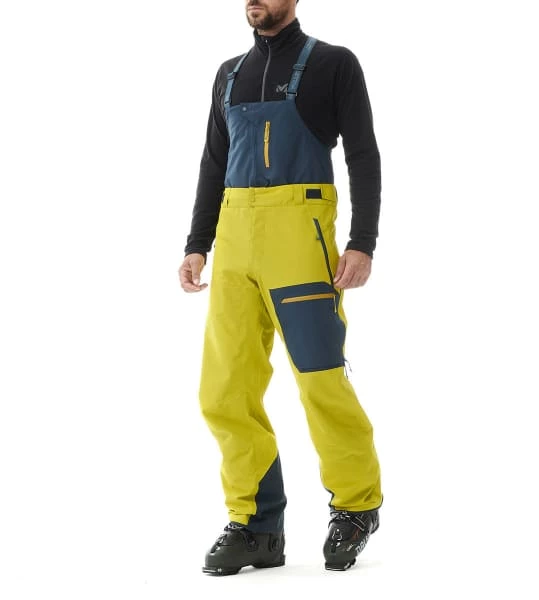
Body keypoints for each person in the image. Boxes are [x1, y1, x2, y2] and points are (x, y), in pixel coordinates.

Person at [178, 0, 383, 575]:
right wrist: (197, 243)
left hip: (300, 237)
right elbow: (213, 162)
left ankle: (356, 506)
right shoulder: (229, 74)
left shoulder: (334, 64)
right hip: (234, 239)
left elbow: (363, 154)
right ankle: (257, 525)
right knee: (224, 390)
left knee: (320, 379)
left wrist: (362, 242)